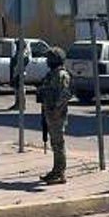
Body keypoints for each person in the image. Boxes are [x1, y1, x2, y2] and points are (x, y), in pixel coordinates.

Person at [37, 47, 72, 185]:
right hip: (51, 113)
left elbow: (64, 95)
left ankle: (59, 173)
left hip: (57, 114)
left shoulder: (61, 75)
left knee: (58, 144)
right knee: (55, 144)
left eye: (49, 59)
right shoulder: (52, 74)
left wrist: (55, 109)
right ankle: (57, 171)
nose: (47, 61)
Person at [9, 38, 30, 111]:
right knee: (17, 90)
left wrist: (15, 74)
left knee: (21, 90)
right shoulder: (19, 53)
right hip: (17, 73)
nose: (16, 46)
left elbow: (19, 65)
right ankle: (17, 104)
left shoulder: (22, 54)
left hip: (20, 73)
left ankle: (21, 105)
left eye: (17, 44)